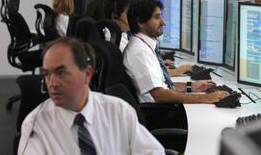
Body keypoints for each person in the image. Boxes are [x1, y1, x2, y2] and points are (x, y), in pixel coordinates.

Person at [18, 37, 164, 155]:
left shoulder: (119, 111)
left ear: (87, 74)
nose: (52, 83)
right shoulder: (36, 124)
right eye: (47, 74)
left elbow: (153, 151)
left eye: (61, 73)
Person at [123, 0, 229, 104]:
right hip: (156, 113)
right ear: (140, 22)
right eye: (157, 17)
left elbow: (162, 85)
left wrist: (191, 86)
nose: (163, 22)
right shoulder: (140, 52)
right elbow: (159, 95)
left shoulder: (143, 46)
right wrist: (205, 98)